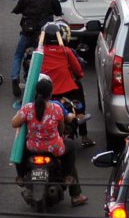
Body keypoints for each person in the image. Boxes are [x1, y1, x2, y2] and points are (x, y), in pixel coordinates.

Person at [10, 75, 87, 206]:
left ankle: (21, 176)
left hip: (32, 148)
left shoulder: (28, 108)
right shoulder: (56, 109)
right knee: (72, 147)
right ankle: (71, 184)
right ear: (50, 93)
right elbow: (61, 128)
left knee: (19, 145)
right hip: (54, 149)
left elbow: (14, 123)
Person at [33, 22, 93, 147]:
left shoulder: (38, 52)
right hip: (68, 89)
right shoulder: (66, 51)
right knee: (79, 103)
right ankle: (84, 136)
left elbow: (32, 72)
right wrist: (79, 76)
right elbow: (77, 69)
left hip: (46, 89)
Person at [10, 0, 62, 98]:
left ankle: (15, 78)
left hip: (28, 31)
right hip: (45, 35)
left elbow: (17, 9)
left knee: (18, 55)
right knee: (53, 53)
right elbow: (58, 12)